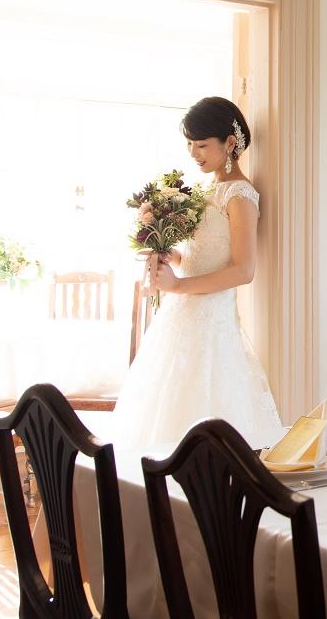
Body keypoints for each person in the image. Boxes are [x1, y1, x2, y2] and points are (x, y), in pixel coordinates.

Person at [111, 97, 284, 449]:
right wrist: (170, 255)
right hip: (180, 318)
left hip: (211, 323)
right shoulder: (207, 191)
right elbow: (202, 254)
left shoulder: (240, 195)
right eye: (190, 144)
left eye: (202, 144)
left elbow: (243, 270)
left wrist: (178, 285)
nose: (194, 152)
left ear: (230, 143)